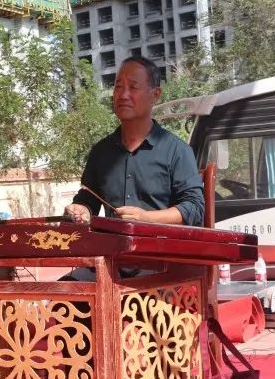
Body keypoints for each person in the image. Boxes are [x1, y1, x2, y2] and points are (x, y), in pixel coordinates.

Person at [63, 56, 204, 280]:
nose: (123, 94)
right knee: (62, 292)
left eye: (133, 87)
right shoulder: (101, 152)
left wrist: (146, 218)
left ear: (155, 95)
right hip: (111, 263)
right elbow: (87, 200)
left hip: (163, 267)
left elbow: (194, 208)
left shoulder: (177, 151)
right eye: (118, 86)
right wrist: (80, 210)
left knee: (134, 296)